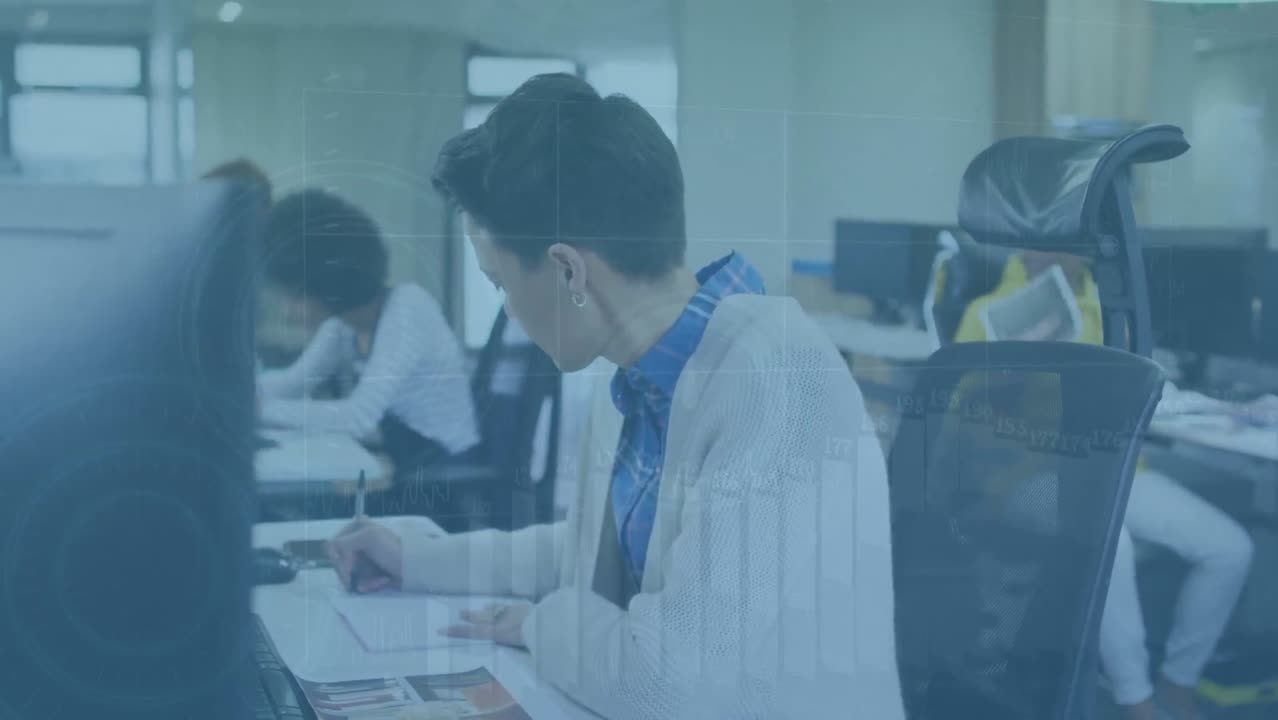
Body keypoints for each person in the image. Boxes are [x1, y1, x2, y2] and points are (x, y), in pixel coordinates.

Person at [327, 74, 904, 720]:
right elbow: (575, 553)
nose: (510, 312)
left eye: (499, 284)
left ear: (570, 271)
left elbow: (668, 687)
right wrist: (414, 560)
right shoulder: (630, 382)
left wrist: (541, 624)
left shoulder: (776, 382)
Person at [954, 249, 1254, 720]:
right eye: (1044, 240)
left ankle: (1178, 682)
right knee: (1114, 543)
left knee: (1229, 547)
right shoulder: (987, 312)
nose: (1054, 253)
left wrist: (1219, 410)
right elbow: (960, 422)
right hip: (1025, 478)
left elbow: (1144, 390)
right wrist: (1007, 385)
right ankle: (1137, 701)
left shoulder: (1111, 308)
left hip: (1112, 470)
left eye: (1069, 242)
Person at [258, 189, 479, 475]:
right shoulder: (343, 324)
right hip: (400, 454)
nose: (287, 311)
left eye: (296, 295)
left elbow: (358, 417)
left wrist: (260, 410)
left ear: (328, 282)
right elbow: (293, 382)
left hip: (442, 467)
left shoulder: (408, 308)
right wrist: (236, 394)